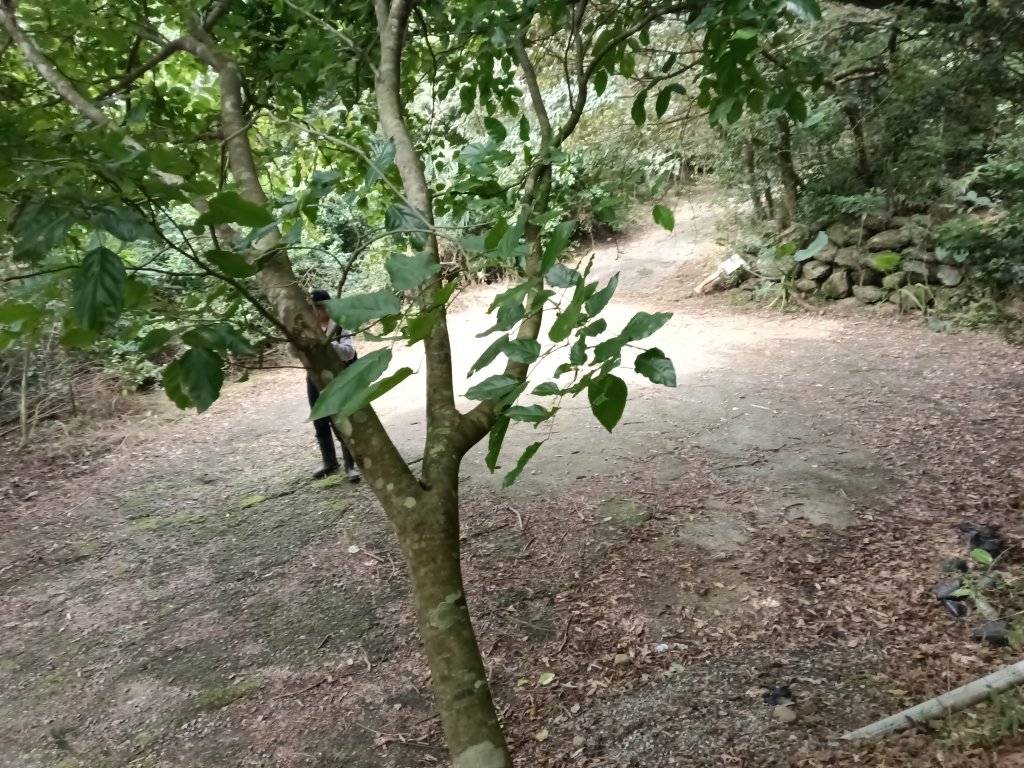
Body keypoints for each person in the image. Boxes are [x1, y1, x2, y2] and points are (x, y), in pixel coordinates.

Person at [303, 289, 361, 482]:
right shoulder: (307, 327)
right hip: (314, 377)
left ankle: (350, 465)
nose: (316, 313)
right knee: (319, 419)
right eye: (313, 309)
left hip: (338, 378)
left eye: (318, 308)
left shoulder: (341, 324)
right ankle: (329, 461)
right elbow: (294, 351)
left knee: (341, 420)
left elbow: (349, 352)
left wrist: (326, 343)